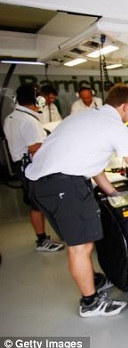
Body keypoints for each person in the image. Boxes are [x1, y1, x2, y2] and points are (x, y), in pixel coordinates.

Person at [26, 83, 128, 318]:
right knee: (81, 246)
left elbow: (93, 165)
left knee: (76, 239)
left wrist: (113, 194)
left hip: (40, 185)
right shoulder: (115, 127)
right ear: (125, 106)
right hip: (65, 185)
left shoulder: (82, 118)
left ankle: (93, 279)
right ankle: (90, 303)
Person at [3, 84, 65, 252]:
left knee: (35, 204)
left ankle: (42, 238)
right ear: (38, 99)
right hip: (32, 167)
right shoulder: (29, 121)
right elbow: (36, 148)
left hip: (21, 166)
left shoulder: (11, 118)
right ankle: (43, 241)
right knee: (41, 204)